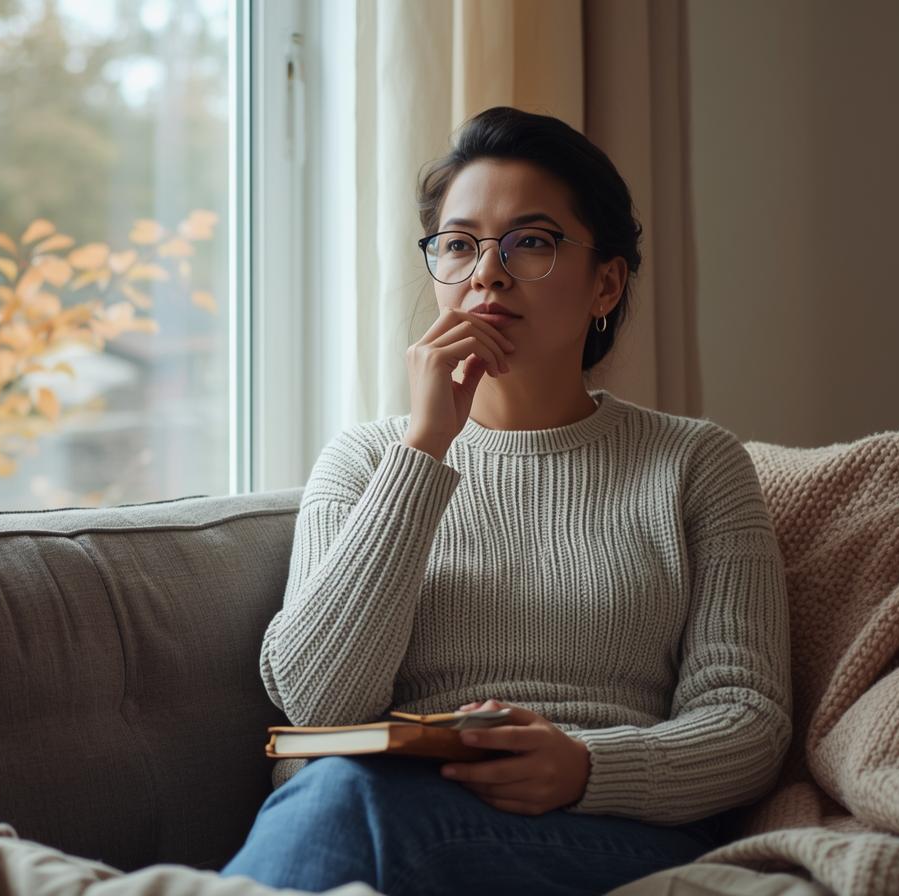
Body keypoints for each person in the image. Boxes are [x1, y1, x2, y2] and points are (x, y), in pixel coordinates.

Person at [220, 106, 792, 896]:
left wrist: (588, 767)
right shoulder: (365, 461)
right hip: (381, 803)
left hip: (604, 830)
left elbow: (748, 721)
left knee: (348, 804)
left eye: (531, 242)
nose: (486, 273)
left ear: (606, 282)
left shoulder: (694, 462)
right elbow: (318, 707)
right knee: (346, 794)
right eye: (458, 245)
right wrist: (423, 450)